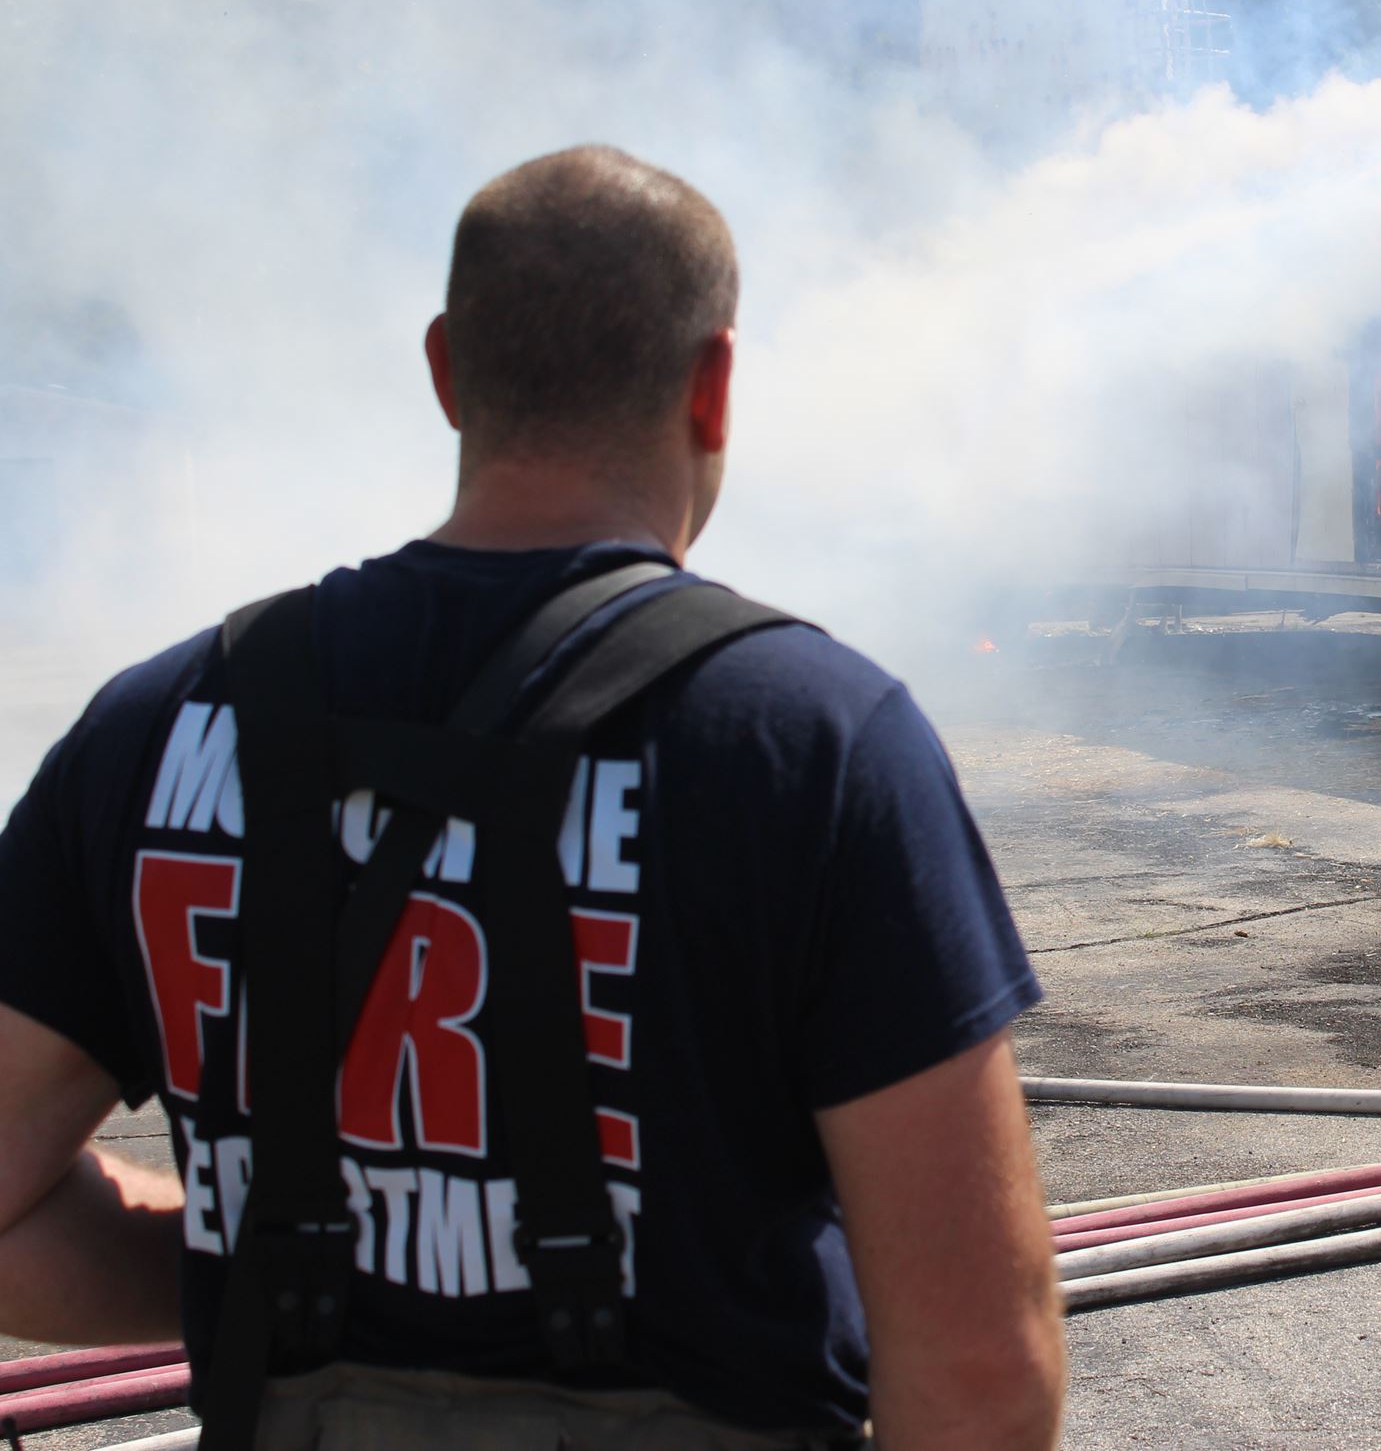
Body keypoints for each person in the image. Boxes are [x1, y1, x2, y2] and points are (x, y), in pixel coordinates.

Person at [0, 146, 1066, 1450]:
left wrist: (277, 1265)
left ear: (446, 370)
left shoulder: (151, 726)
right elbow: (980, 1372)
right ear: (717, 385)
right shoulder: (813, 745)